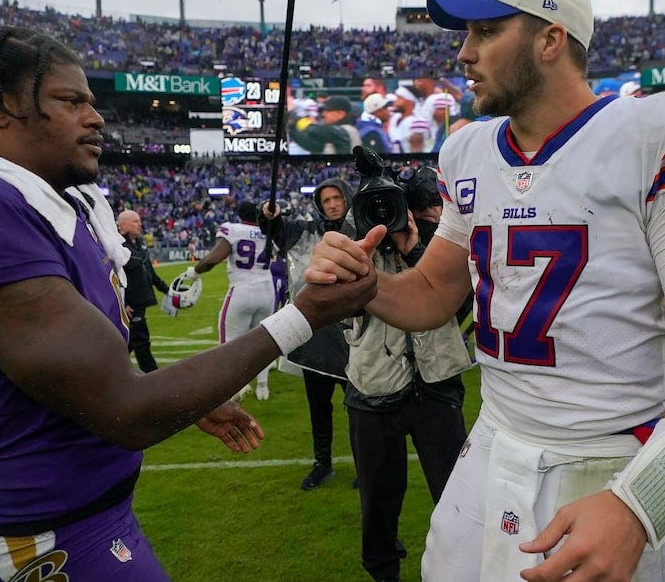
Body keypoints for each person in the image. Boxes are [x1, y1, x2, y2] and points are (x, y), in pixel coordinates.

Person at [0, 25, 375, 580]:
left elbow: (81, 374)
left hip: (87, 515)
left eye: (92, 100)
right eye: (70, 100)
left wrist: (187, 398)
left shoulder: (55, 202)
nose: (96, 116)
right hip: (37, 542)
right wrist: (306, 316)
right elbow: (123, 408)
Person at [306, 0, 665, 581]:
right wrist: (369, 286)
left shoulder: (659, 134)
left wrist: (639, 504)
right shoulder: (468, 150)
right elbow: (435, 290)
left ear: (551, 39)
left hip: (607, 453)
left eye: (487, 31)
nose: (464, 53)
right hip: (495, 438)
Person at [344, 163, 473, 582]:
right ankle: (383, 571)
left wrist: (415, 248)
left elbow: (461, 304)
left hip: (436, 384)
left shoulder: (440, 243)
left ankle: (464, 566)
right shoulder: (354, 243)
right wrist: (364, 247)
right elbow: (338, 307)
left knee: (456, 492)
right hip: (373, 384)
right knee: (378, 498)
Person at [262, 177, 357, 490]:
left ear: (347, 198)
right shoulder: (309, 231)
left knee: (359, 409)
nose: (331, 204)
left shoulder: (359, 230)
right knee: (319, 409)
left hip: (352, 337)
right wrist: (270, 216)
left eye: (336, 198)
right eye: (325, 200)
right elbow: (278, 231)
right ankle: (322, 463)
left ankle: (365, 462)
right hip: (315, 335)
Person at [185, 201, 278, 400]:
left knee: (229, 344)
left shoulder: (233, 229)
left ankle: (236, 388)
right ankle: (263, 386)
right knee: (263, 341)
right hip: (267, 291)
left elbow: (212, 259)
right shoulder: (268, 230)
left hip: (242, 290)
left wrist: (195, 271)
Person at [118, 209, 170, 372]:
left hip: (140, 303)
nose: (140, 224)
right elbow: (112, 276)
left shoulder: (139, 244)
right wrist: (122, 303)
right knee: (141, 345)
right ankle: (155, 381)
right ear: (123, 225)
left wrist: (169, 291)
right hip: (130, 307)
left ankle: (107, 373)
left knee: (131, 344)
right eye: (135, 221)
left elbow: (150, 274)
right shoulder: (117, 246)